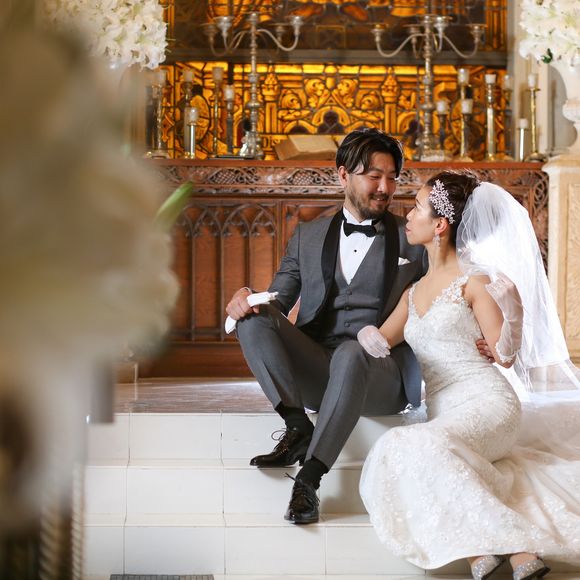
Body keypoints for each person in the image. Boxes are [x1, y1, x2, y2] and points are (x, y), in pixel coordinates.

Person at [358, 171, 580, 580]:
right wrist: (352, 332)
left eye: (418, 208)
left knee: (408, 443)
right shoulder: (412, 292)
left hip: (489, 403)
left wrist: (513, 310)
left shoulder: (477, 281)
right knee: (414, 448)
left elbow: (505, 356)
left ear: (440, 225)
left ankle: (500, 549)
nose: (408, 215)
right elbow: (379, 341)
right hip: (444, 411)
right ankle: (500, 551)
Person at [225, 127, 428, 524]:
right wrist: (246, 296)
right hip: (320, 368)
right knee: (253, 317)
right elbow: (279, 299)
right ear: (343, 175)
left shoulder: (413, 239)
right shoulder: (308, 235)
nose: (385, 188)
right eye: (374, 176)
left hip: (382, 375)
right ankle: (297, 426)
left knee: (352, 352)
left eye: (392, 177)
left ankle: (309, 479)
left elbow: (437, 302)